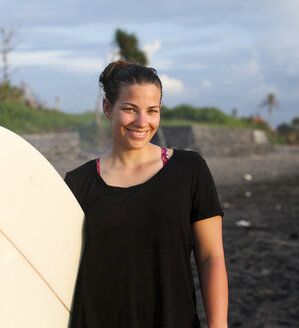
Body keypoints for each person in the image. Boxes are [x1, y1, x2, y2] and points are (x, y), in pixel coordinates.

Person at [64, 60, 228, 328]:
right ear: (108, 108)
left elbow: (211, 256)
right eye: (130, 109)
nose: (142, 122)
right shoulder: (78, 183)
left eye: (152, 111)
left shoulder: (189, 170)